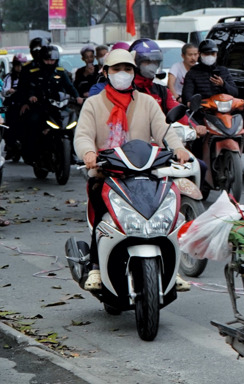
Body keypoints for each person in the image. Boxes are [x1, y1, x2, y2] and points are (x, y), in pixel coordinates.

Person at [73, 49, 192, 292]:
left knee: (168, 209)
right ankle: (96, 265)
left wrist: (179, 148)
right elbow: (83, 134)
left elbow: (164, 130)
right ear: (106, 72)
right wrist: (88, 153)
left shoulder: (147, 102)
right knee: (100, 207)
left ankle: (172, 267)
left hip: (145, 172)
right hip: (107, 173)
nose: (123, 74)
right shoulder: (93, 104)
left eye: (128, 69)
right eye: (117, 69)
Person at [13, 45, 81, 165]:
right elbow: (29, 87)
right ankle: (33, 152)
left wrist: (77, 97)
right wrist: (31, 97)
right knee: (33, 121)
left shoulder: (60, 72)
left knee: (73, 123)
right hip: (41, 107)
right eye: (47, 60)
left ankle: (72, 153)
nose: (50, 63)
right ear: (42, 60)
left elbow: (69, 87)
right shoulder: (34, 72)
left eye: (52, 60)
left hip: (59, 106)